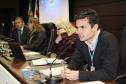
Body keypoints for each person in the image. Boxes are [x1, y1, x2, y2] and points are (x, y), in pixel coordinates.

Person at [61, 9, 119, 81]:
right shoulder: (81, 40)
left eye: (82, 27)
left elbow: (109, 74)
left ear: (95, 27)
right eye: (77, 27)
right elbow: (76, 61)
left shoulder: (108, 40)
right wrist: (67, 70)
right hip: (94, 80)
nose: (78, 32)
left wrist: (79, 75)